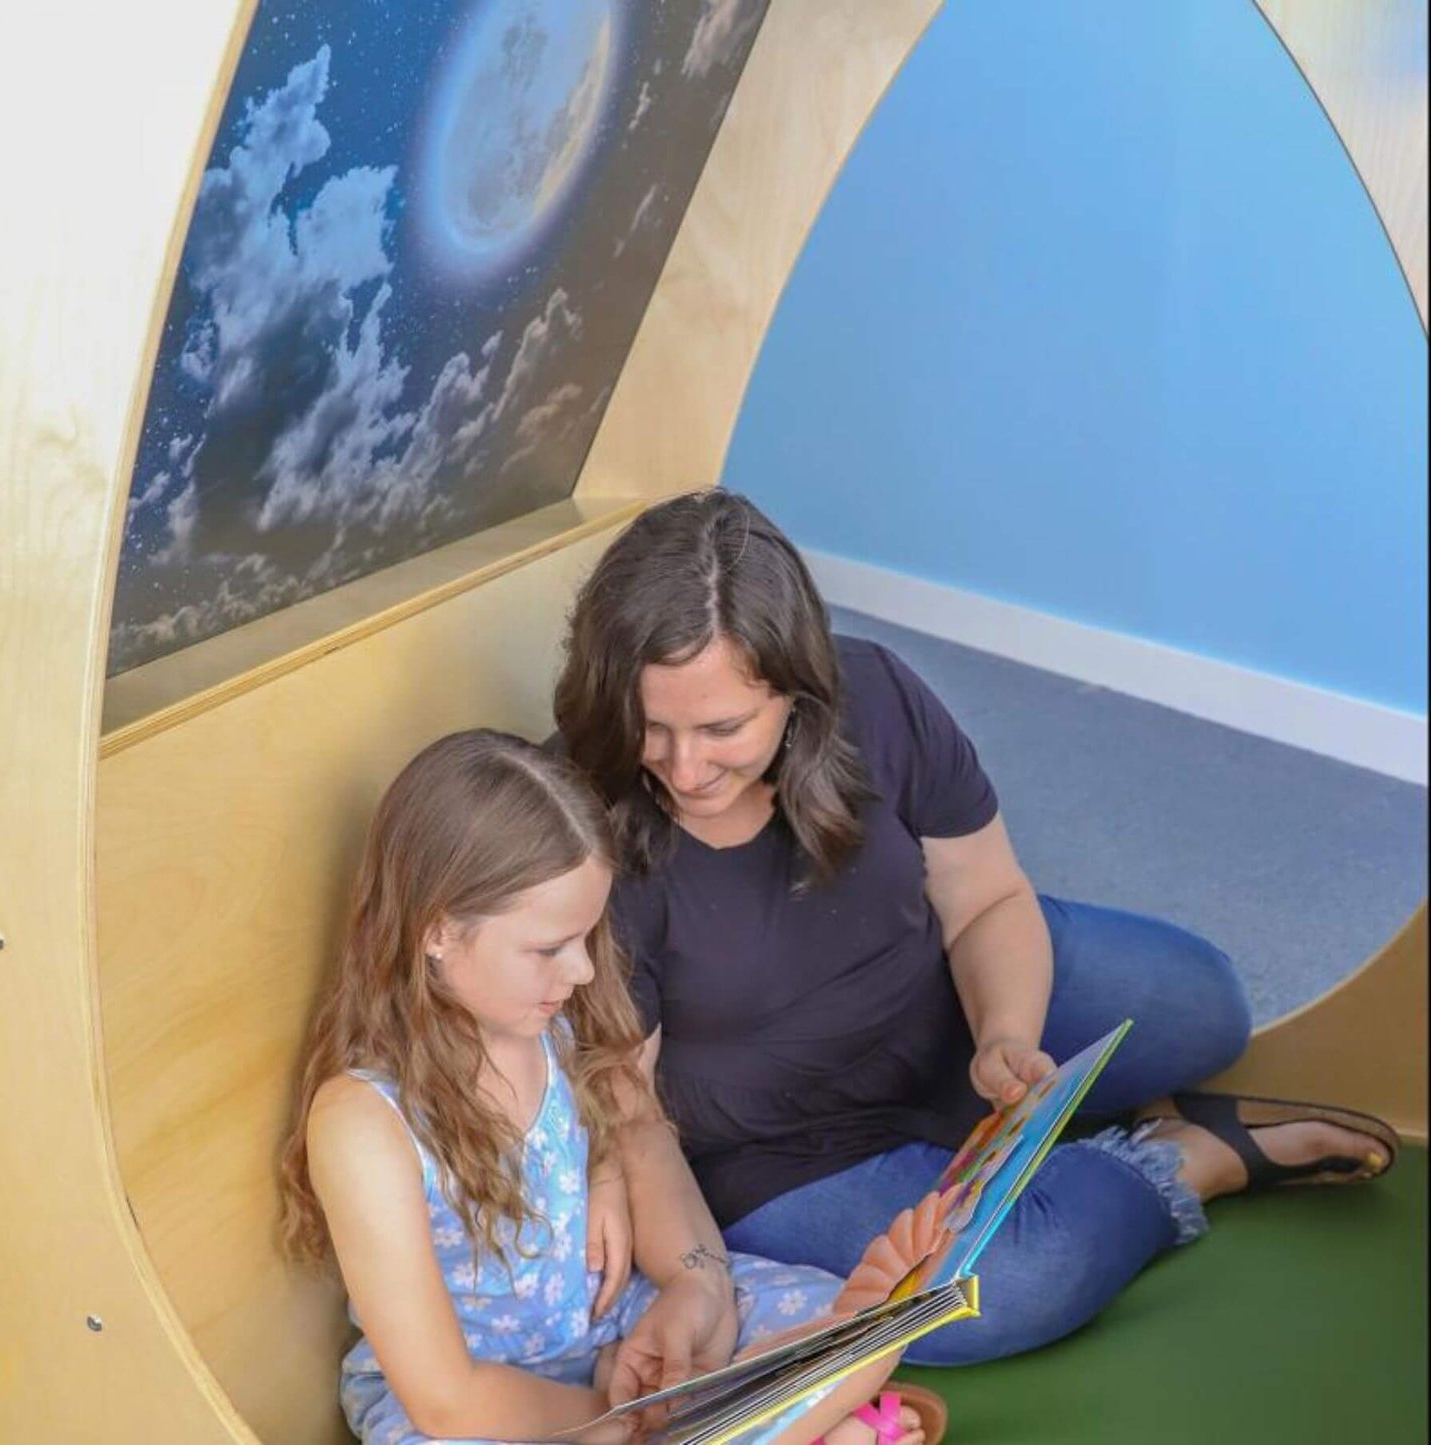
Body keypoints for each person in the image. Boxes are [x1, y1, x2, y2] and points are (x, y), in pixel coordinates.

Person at [552, 489, 1398, 1367]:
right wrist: (692, 1272)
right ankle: (1177, 1159)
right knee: (1000, 1291)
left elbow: (986, 893)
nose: (684, 767)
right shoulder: (582, 818)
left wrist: (1005, 1032)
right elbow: (629, 1106)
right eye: (651, 727)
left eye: (723, 728)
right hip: (783, 1146)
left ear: (797, 690)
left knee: (1205, 1003)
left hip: (934, 1007)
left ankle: (1037, 1135)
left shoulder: (874, 691)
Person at [279, 729, 940, 1445]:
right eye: (548, 948)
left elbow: (636, 1142)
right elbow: (445, 1399)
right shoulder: (363, 1121)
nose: (584, 972)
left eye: (586, 938)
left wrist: (683, 1285)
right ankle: (795, 1419)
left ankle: (797, 1393)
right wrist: (615, 1421)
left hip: (607, 1337)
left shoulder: (555, 1024)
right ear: (437, 930)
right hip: (481, 1404)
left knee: (811, 1308)